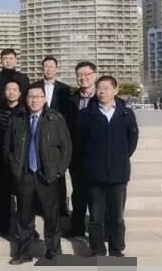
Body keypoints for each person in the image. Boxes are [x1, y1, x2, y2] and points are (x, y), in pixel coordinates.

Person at [5, 83, 71, 265]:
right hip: (25, 174)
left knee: (51, 216)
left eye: (38, 97)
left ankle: (54, 252)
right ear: (25, 99)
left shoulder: (55, 118)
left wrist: (58, 171)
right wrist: (14, 167)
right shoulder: (17, 118)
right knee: (24, 217)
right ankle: (24, 253)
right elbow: (8, 146)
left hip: (47, 174)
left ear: (44, 99)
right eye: (30, 97)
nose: (34, 100)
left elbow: (66, 147)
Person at [78, 76, 138, 257]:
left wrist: (118, 158)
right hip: (94, 175)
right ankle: (97, 250)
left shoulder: (126, 114)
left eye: (106, 88)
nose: (102, 91)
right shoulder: (86, 115)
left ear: (115, 90)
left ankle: (116, 249)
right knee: (96, 218)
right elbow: (80, 142)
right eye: (99, 88)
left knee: (117, 218)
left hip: (118, 175)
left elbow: (132, 141)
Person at [33, 56, 71, 217]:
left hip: (56, 133)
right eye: (46, 66)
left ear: (56, 69)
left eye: (51, 66)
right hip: (38, 131)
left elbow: (67, 112)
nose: (48, 69)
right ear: (42, 68)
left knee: (57, 173)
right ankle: (38, 207)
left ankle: (61, 208)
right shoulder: (34, 86)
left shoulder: (64, 89)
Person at [65, 61, 98, 238]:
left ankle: (98, 230)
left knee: (97, 195)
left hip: (97, 157)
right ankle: (77, 227)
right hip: (76, 157)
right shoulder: (71, 100)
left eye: (87, 74)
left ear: (95, 75)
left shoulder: (103, 98)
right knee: (78, 193)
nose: (83, 78)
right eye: (79, 75)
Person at [0, 79, 23, 237]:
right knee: (3, 195)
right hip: (2, 159)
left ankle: (26, 228)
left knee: (24, 197)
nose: (11, 92)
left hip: (21, 159)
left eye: (14, 89)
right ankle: (3, 228)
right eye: (8, 89)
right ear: (4, 92)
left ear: (20, 93)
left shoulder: (25, 110)